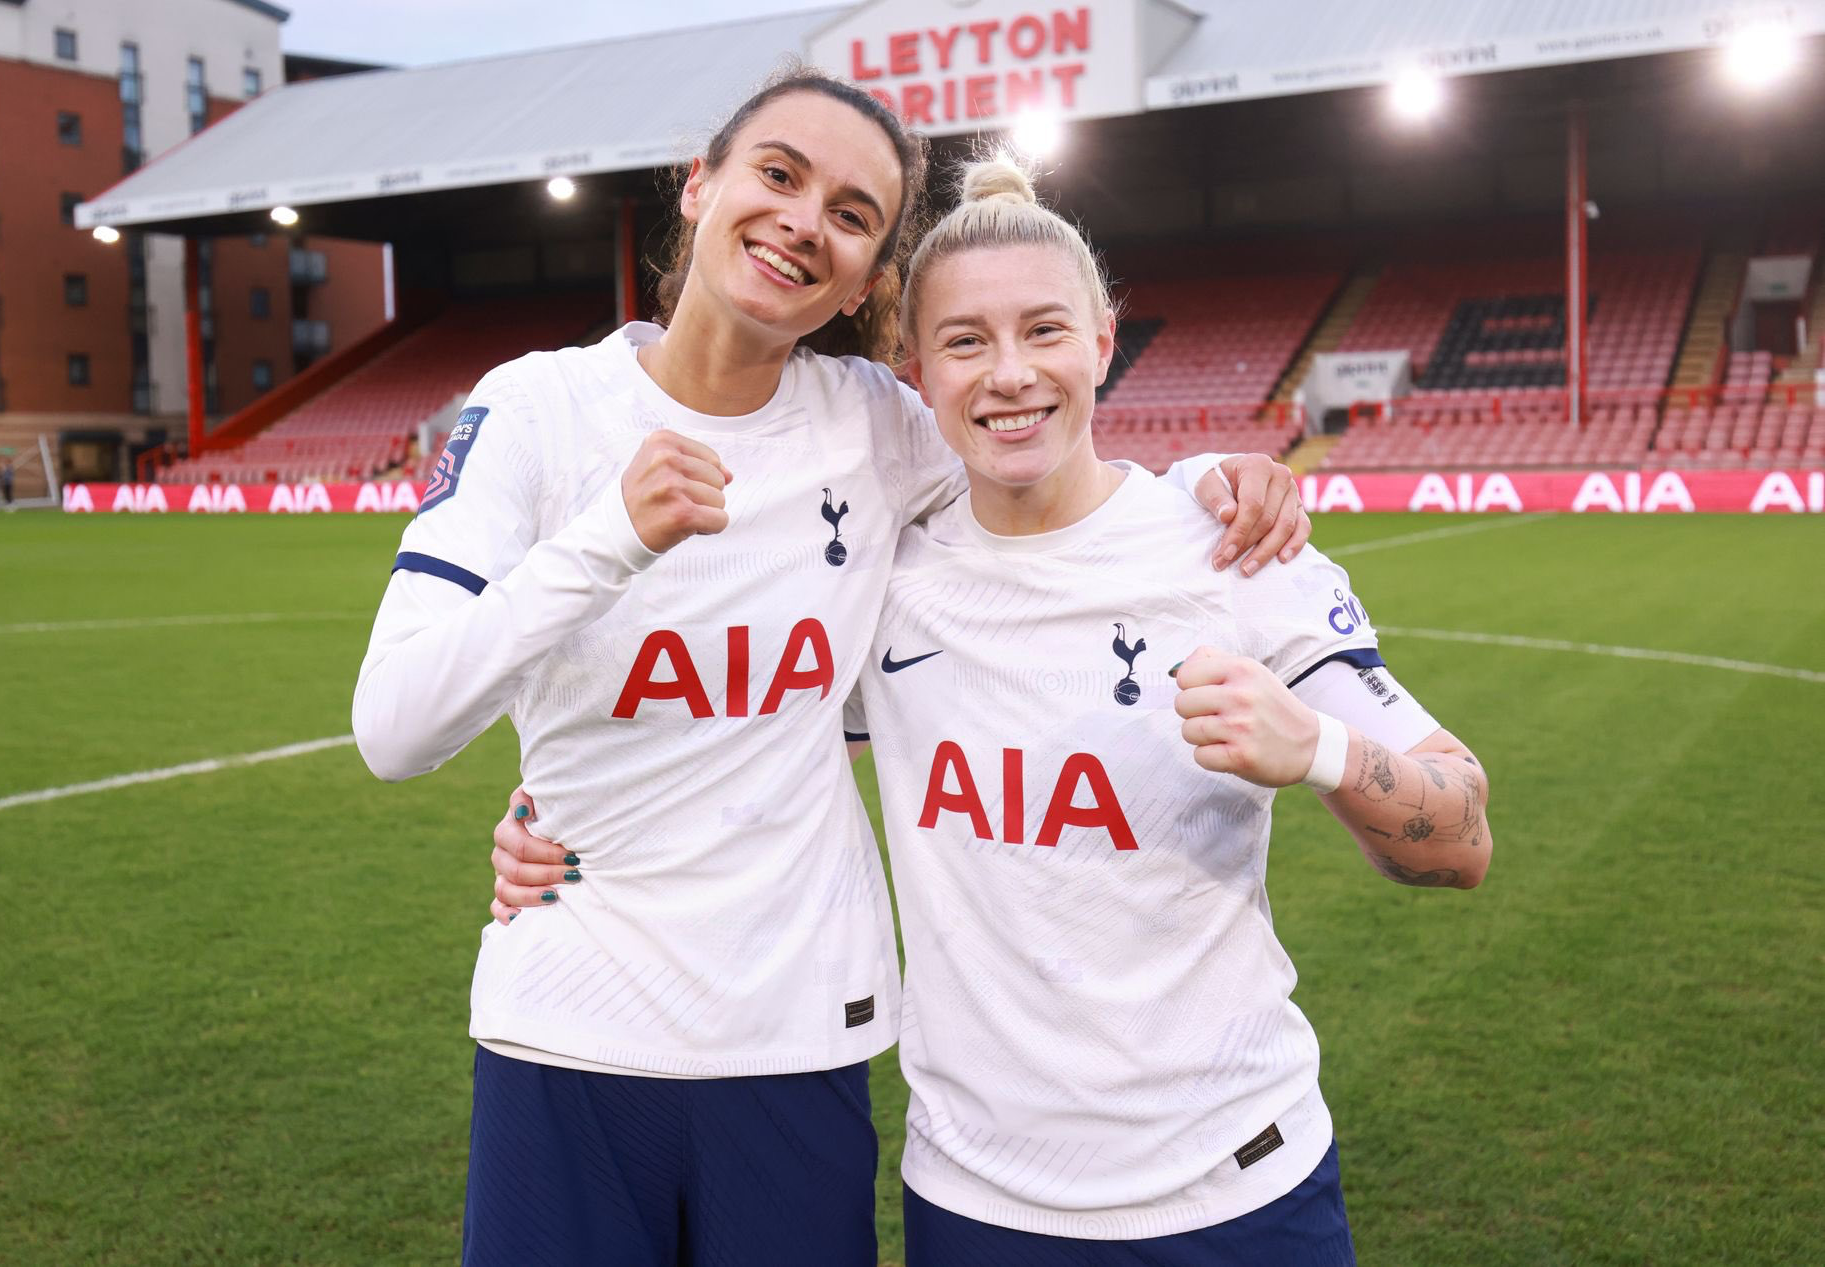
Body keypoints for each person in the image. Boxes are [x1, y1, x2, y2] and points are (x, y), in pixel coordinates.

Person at [353, 69, 1309, 1267]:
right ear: (699, 185)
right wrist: (608, 541)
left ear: (869, 280)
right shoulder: (539, 408)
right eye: (778, 174)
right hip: (568, 1023)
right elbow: (394, 726)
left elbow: (1041, 455)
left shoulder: (875, 422)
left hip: (796, 1036)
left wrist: (1208, 479)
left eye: (853, 214)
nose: (806, 220)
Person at [492, 159, 1494, 1264]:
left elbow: (1459, 840)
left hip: (1238, 1189)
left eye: (1044, 331)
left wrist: (1321, 751)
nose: (1010, 374)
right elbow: (727, 743)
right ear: (917, 373)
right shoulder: (884, 587)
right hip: (978, 1206)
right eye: (967, 341)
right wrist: (552, 821)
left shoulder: (1236, 556)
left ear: (1104, 340)